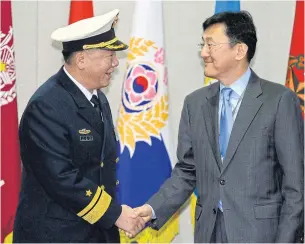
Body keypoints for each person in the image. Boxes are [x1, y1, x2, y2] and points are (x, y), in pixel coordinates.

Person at [131, 11, 304, 243]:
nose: (203, 52)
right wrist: (152, 209)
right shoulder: (195, 103)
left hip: (261, 235)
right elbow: (187, 171)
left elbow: (296, 185)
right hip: (209, 233)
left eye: (210, 45)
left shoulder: (279, 101)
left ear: (239, 50)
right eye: (203, 44)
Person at [13, 9, 144, 243]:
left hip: (96, 232)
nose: (115, 63)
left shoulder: (97, 97)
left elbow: (100, 167)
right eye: (109, 55)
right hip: (56, 235)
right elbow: (61, 178)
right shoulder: (46, 106)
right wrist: (115, 214)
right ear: (82, 59)